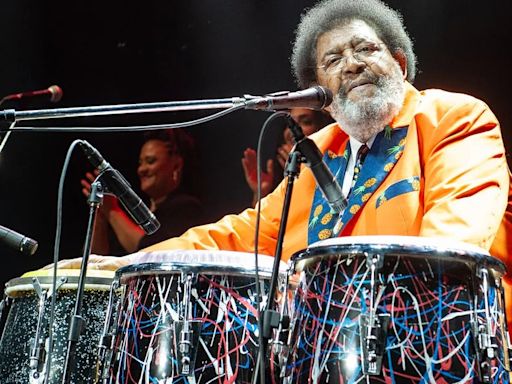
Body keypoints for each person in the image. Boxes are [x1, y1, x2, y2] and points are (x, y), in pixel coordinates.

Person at [60, 0, 511, 319]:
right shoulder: (317, 155)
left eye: (366, 49)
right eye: (333, 59)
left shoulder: (452, 116)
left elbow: (454, 244)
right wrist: (130, 265)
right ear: (321, 96)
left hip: (443, 347)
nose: (351, 65)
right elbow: (236, 236)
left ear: (399, 63)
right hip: (329, 356)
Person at [81, 129, 205, 254]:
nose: (142, 169)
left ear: (176, 165)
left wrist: (112, 210)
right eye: (141, 163)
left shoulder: (186, 208)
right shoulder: (129, 211)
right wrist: (100, 213)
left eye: (150, 161)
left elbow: (148, 251)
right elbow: (93, 260)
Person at [241, 108, 334, 206]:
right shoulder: (282, 171)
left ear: (324, 127)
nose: (292, 131)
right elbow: (266, 219)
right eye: (290, 124)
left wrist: (304, 171)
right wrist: (261, 193)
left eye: (306, 122)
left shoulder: (338, 165)